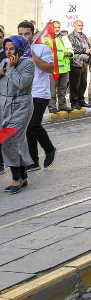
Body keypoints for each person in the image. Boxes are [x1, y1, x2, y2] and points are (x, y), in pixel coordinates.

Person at [18, 22, 57, 172]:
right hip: (24, 93)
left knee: (34, 124)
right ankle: (33, 161)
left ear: (33, 33)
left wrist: (34, 58)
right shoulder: (17, 50)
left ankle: (50, 149)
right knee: (28, 128)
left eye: (26, 33)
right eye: (20, 34)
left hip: (40, 93)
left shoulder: (42, 48)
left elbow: (50, 68)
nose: (23, 37)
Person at [2, 35, 37, 193]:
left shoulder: (28, 64)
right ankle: (23, 177)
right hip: (4, 107)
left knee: (8, 140)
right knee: (18, 142)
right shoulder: (4, 62)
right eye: (6, 48)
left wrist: (10, 69)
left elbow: (22, 84)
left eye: (12, 48)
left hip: (21, 106)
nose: (9, 52)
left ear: (20, 48)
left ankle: (15, 178)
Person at [47, 21, 72, 113]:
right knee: (52, 90)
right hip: (54, 69)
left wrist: (70, 53)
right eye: (55, 27)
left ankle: (62, 105)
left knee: (63, 89)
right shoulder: (49, 39)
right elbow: (50, 52)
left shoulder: (64, 37)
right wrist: (63, 54)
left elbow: (70, 47)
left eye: (58, 27)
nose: (57, 29)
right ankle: (52, 106)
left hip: (65, 67)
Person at [67, 20, 91, 110]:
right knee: (75, 84)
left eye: (82, 25)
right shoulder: (71, 36)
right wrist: (84, 50)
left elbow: (88, 45)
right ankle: (74, 102)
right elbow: (72, 48)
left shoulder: (83, 35)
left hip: (84, 62)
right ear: (74, 26)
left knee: (83, 83)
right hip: (76, 62)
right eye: (79, 25)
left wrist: (90, 50)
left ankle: (81, 100)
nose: (81, 27)